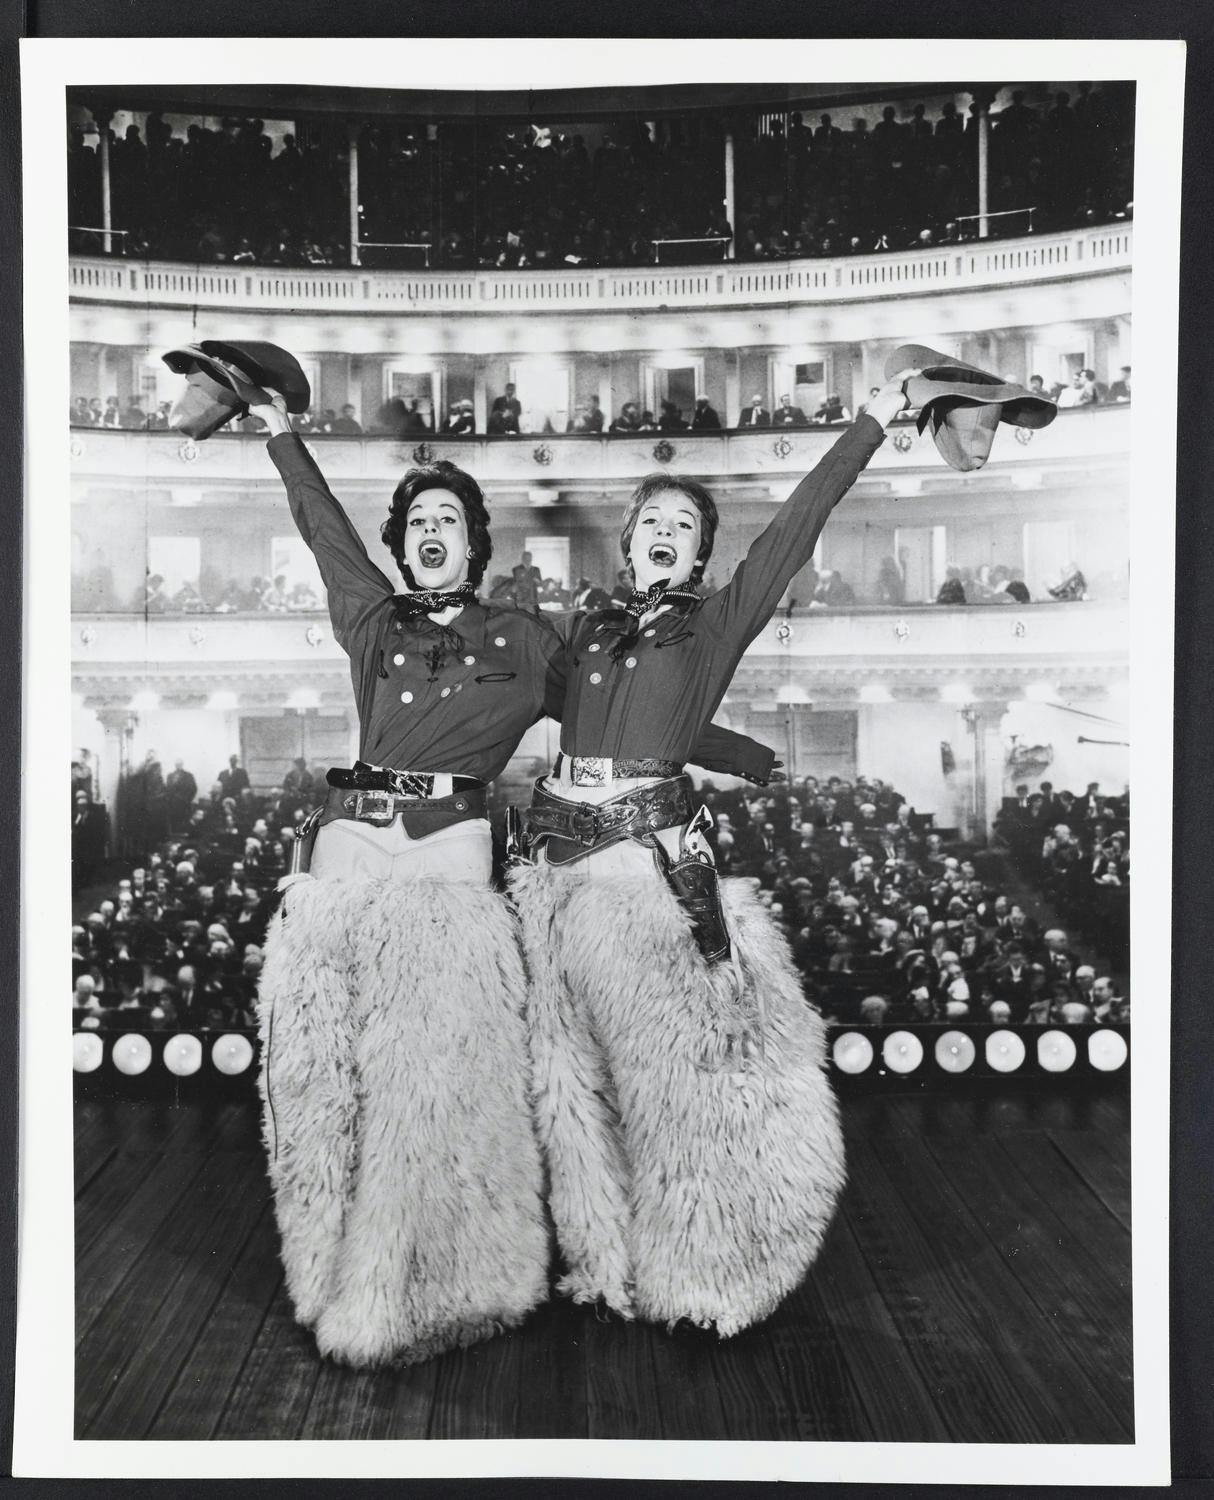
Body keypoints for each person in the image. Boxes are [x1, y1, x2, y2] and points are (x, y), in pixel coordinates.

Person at [247, 385, 766, 1368]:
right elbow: (321, 531)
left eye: (448, 518)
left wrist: (735, 752)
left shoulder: (524, 641)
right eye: (418, 520)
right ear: (400, 545)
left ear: (473, 545)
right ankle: (323, 1274)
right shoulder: (372, 621)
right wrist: (280, 432)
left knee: (421, 1084)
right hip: (344, 847)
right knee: (318, 1084)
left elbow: (614, 711)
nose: (431, 530)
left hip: (446, 852)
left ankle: (415, 1291)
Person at [509, 363, 920, 1338]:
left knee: (679, 1085)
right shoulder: (586, 627)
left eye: (684, 524)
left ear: (699, 553)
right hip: (552, 869)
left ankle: (704, 1271)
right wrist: (738, 753)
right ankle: (599, 1262)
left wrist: (870, 422)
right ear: (628, 542)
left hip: (645, 870)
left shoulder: (715, 623)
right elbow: (550, 701)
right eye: (651, 518)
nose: (665, 529)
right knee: (570, 1084)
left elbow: (795, 529)